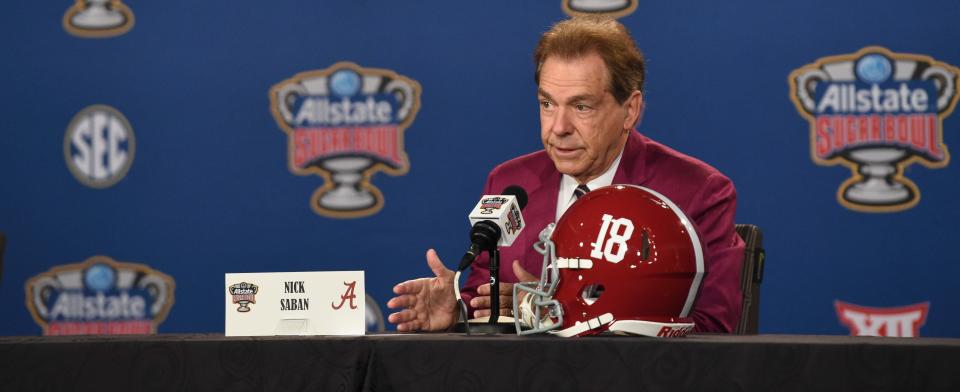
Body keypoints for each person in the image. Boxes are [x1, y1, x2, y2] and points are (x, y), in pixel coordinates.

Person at [387, 16, 744, 333]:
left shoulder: (696, 192)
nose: (558, 128)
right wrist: (459, 312)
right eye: (547, 104)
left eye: (581, 106)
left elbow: (713, 326)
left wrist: (556, 310)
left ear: (630, 110)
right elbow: (487, 301)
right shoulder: (511, 183)